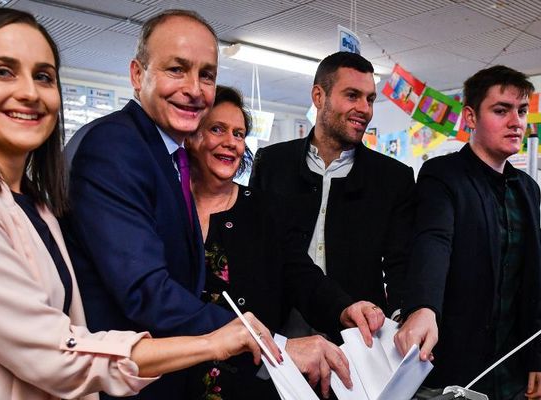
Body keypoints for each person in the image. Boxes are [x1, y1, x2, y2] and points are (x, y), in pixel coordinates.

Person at [0, 8, 278, 400]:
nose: (29, 92)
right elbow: (53, 351)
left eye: (44, 76)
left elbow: (68, 329)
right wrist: (217, 342)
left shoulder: (33, 204)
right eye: (3, 71)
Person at [62, 10, 381, 400]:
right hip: (129, 381)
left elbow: (296, 271)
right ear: (136, 74)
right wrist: (275, 346)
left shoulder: (169, 161)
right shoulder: (116, 148)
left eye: (207, 75)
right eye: (177, 69)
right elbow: (145, 291)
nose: (195, 88)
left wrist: (341, 308)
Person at [184, 85, 387, 399]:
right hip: (176, 376)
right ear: (191, 136)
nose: (230, 142)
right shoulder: (166, 208)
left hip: (249, 381)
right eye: (217, 129)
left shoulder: (263, 210)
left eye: (239, 134)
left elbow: (300, 273)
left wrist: (344, 307)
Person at [394, 65, 541, 400]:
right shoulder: (443, 175)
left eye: (521, 111)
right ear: (471, 117)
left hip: (513, 368)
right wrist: (423, 307)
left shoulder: (528, 189)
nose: (515, 121)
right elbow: (434, 240)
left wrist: (537, 356)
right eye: (501, 110)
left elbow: (532, 279)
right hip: (457, 368)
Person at [249, 51, 415, 336]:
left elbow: (401, 262)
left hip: (357, 329)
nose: (365, 108)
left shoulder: (393, 178)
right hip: (278, 325)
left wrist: (403, 316)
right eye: (352, 95)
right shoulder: (272, 163)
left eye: (370, 99)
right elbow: (254, 243)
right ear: (318, 96)